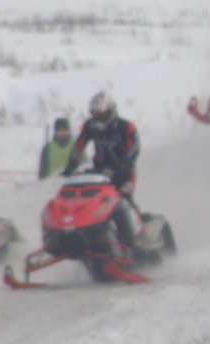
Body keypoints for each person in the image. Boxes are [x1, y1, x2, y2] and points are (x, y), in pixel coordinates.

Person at [63, 91, 149, 250]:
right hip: (100, 171)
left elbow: (135, 148)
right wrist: (72, 164)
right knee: (91, 198)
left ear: (111, 111)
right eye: (95, 114)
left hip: (124, 171)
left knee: (124, 198)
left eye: (102, 114)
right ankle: (93, 232)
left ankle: (140, 235)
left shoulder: (126, 127)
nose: (99, 119)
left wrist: (127, 165)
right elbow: (79, 144)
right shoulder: (89, 126)